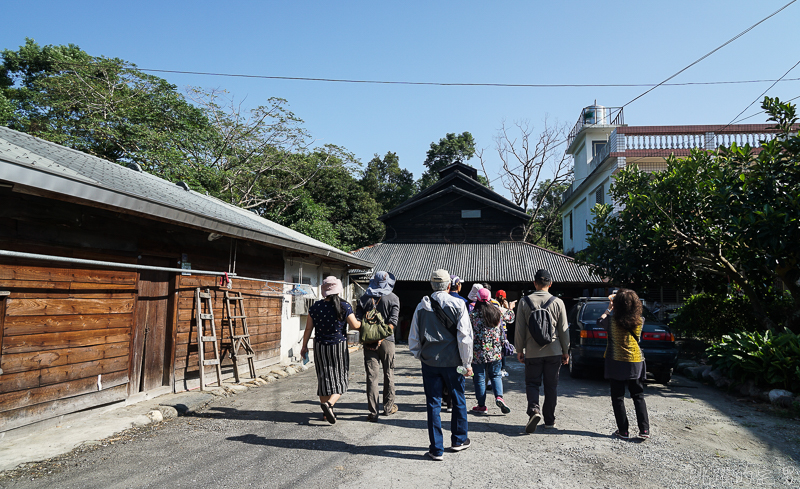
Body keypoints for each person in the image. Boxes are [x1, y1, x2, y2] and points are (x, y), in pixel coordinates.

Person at [409, 269, 474, 461]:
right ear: (448, 285)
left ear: (431, 285)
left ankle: (436, 449)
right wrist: (467, 362)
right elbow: (464, 337)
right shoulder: (458, 304)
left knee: (433, 403)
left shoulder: (421, 306)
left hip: (430, 362)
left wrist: (420, 354)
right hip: (454, 362)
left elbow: (413, 337)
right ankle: (458, 440)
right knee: (458, 398)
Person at [300, 276, 360, 424]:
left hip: (320, 345)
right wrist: (362, 320)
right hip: (338, 346)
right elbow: (355, 326)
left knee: (323, 377)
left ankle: (326, 414)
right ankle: (329, 404)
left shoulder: (315, 307)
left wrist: (304, 346)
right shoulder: (344, 306)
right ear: (338, 290)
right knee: (340, 377)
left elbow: (308, 328)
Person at [515, 269, 569, 433]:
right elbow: (563, 330)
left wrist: (519, 349)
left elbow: (519, 329)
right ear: (550, 283)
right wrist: (566, 351)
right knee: (551, 386)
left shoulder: (525, 302)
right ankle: (550, 421)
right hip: (554, 351)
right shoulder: (558, 302)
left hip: (533, 351)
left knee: (532, 383)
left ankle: (534, 411)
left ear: (535, 283)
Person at [598, 289, 650, 440]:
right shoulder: (640, 320)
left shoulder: (611, 321)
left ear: (617, 305)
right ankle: (644, 430)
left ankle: (623, 431)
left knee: (618, 397)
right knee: (638, 395)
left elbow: (600, 320)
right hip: (635, 361)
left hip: (616, 360)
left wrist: (609, 308)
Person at [355, 271, 400, 422]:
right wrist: (381, 337)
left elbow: (357, 322)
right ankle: (388, 408)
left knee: (372, 377)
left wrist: (372, 336)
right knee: (389, 373)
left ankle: (373, 412)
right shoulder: (393, 298)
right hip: (388, 340)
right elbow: (393, 323)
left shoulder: (364, 298)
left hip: (369, 343)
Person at [470, 288, 511, 414]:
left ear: (477, 298)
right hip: (495, 350)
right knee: (496, 375)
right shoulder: (497, 311)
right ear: (489, 299)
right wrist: (509, 307)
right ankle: (499, 397)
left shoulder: (473, 315)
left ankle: (481, 406)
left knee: (480, 377)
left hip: (478, 351)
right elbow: (511, 317)